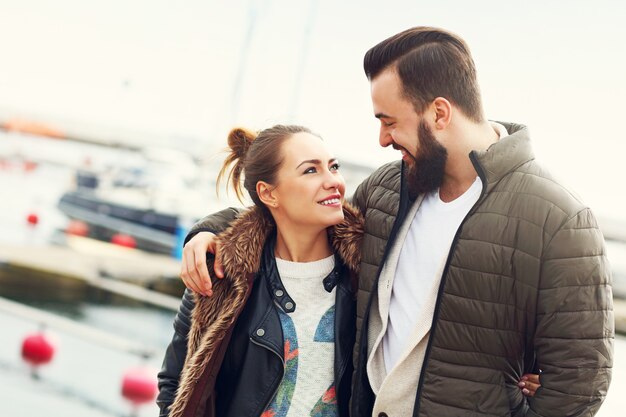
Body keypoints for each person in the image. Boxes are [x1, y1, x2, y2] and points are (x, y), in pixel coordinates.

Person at [177, 26, 601, 417]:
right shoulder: (386, 188)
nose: (382, 139)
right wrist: (210, 231)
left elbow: (579, 384)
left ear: (439, 113)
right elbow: (292, 219)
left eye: (389, 121)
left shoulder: (560, 220)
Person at [157, 125, 365, 417]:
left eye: (334, 167)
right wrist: (206, 231)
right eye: (311, 171)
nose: (334, 181)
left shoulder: (364, 272)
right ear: (268, 193)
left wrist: (207, 229)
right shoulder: (225, 279)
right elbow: (175, 384)